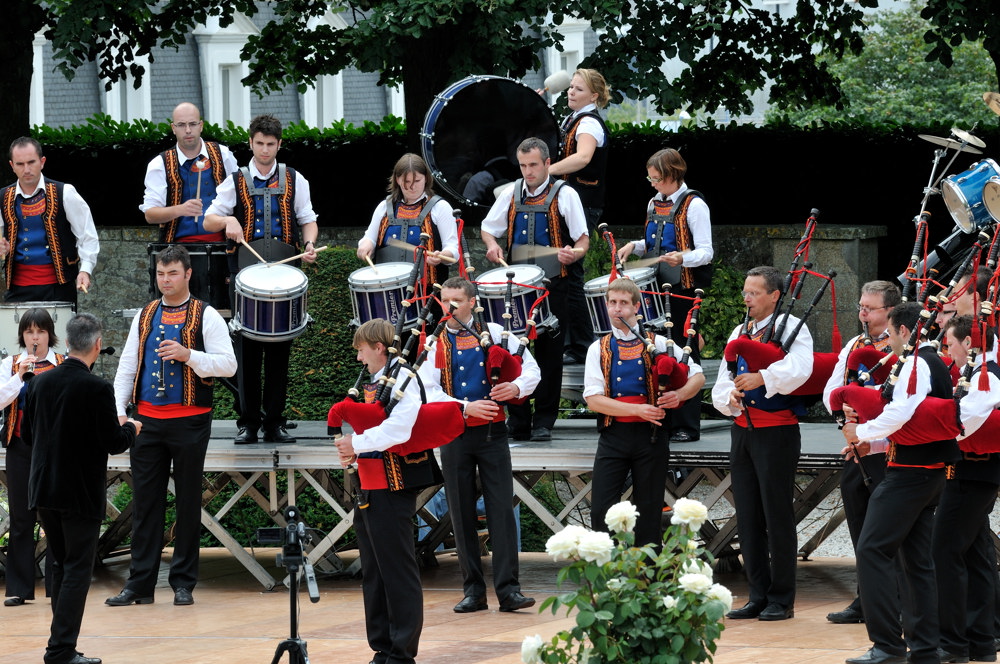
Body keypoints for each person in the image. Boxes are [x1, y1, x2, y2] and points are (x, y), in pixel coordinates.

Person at [105, 245, 236, 608]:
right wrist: (119, 410)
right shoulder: (145, 315)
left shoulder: (206, 315)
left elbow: (228, 365)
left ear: (188, 274)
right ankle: (140, 585)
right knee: (145, 505)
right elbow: (128, 365)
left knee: (188, 502)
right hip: (145, 423)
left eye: (173, 273)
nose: (166, 280)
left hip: (190, 421)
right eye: (161, 274)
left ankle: (183, 583)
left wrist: (188, 355)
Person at [841, 301, 960, 664]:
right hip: (928, 473)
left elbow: (901, 411)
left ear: (905, 332)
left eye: (891, 333)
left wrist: (859, 431)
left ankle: (887, 645)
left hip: (911, 475)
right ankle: (925, 646)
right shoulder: (931, 361)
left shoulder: (916, 362)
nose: (889, 340)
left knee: (872, 549)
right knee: (916, 560)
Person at [417, 277, 541, 613]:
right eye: (445, 300)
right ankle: (472, 590)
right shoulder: (434, 343)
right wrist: (464, 407)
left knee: (501, 510)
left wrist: (515, 389)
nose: (449, 307)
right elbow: (428, 391)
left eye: (456, 300)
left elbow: (532, 370)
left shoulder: (498, 334)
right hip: (454, 434)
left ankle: (509, 591)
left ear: (472, 302)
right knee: (460, 513)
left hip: (492, 433)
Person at [22, 313, 140, 664]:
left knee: (60, 563)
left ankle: (62, 645)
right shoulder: (97, 388)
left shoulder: (40, 383)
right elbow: (114, 442)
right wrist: (132, 427)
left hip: (44, 488)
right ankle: (60, 650)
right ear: (97, 345)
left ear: (67, 342)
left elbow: (28, 437)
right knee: (76, 568)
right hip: (79, 492)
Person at [204, 114, 318, 444]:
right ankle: (248, 423)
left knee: (280, 351)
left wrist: (309, 243)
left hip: (285, 277)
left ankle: (275, 423)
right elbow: (210, 218)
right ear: (250, 143)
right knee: (247, 350)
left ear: (279, 145)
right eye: (259, 144)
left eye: (271, 144)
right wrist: (227, 222)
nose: (265, 150)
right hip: (245, 277)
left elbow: (307, 220)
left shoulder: (296, 180)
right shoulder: (234, 179)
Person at [334, 319, 439, 664]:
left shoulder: (406, 379)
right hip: (369, 482)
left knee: (397, 570)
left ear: (379, 348)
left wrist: (356, 443)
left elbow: (399, 429)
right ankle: (383, 645)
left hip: (393, 484)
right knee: (374, 571)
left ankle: (401, 651)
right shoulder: (381, 381)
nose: (359, 358)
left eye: (361, 350)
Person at [711, 265, 813, 622]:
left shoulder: (792, 329)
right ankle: (757, 593)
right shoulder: (740, 331)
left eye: (754, 293)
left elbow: (802, 369)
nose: (747, 299)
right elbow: (723, 379)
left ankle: (781, 597)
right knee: (748, 516)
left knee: (777, 514)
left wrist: (763, 377)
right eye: (745, 292)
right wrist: (729, 399)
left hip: (777, 432)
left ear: (774, 296)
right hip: (743, 431)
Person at [480, 137, 589, 441]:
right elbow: (489, 228)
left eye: (533, 165)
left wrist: (573, 254)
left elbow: (583, 241)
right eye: (523, 165)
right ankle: (518, 420)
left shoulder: (565, 194)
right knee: (513, 352)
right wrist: (491, 246)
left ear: (547, 164)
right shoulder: (511, 194)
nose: (527, 172)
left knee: (549, 356)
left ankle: (543, 420)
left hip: (554, 286)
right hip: (515, 289)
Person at [583, 277, 704, 545]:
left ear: (637, 307)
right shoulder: (597, 348)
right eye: (612, 303)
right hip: (613, 436)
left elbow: (697, 375)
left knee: (649, 511)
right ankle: (608, 572)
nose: (617, 309)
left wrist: (678, 395)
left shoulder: (659, 342)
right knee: (601, 509)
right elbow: (593, 399)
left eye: (623, 303)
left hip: (651, 437)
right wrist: (637, 411)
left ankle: (648, 579)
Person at [619, 148, 713, 443]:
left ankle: (686, 424)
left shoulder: (695, 205)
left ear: (673, 175)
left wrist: (682, 259)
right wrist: (634, 247)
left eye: (657, 178)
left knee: (685, 353)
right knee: (656, 354)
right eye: (651, 178)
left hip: (683, 290)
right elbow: (653, 241)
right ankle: (661, 418)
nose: (652, 183)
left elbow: (706, 252)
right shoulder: (653, 202)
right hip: (655, 290)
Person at [821, 280, 900, 625]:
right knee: (858, 515)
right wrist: (843, 413)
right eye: (861, 307)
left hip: (892, 447)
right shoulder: (854, 344)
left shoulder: (906, 345)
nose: (863, 314)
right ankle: (866, 596)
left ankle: (897, 598)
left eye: (870, 308)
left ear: (891, 312)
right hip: (857, 445)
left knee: (891, 527)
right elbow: (831, 390)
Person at [933, 314, 1000, 663]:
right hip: (969, 472)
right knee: (973, 556)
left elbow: (965, 421)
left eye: (951, 343)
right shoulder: (976, 372)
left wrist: (926, 426)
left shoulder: (988, 374)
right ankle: (979, 641)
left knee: (944, 551)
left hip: (973, 472)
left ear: (969, 343)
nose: (948, 350)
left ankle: (953, 642)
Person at [1, 309, 64, 607]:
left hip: (55, 448)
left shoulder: (63, 364)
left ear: (49, 334)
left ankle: (58, 584)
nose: (34, 338)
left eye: (40, 332)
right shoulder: (9, 364)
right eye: (29, 332)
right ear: (22, 335)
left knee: (56, 515)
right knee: (21, 517)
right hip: (20, 446)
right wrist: (18, 377)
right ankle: (19, 588)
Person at [0, 137, 99, 304]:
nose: (27, 169)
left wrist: (85, 270)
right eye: (20, 164)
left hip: (59, 287)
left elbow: (87, 236)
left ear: (42, 162)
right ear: (12, 166)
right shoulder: (2, 197)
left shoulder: (65, 192)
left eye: (31, 162)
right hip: (17, 288)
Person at [139, 102, 239, 244]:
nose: (187, 130)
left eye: (192, 124)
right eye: (181, 125)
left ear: (201, 126)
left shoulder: (223, 154)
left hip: (224, 244)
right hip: (177, 248)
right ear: (173, 128)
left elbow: (241, 196)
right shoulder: (159, 164)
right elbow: (150, 215)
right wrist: (180, 209)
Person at [357, 153, 458, 283]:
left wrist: (443, 256)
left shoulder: (440, 207)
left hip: (427, 292)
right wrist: (366, 245)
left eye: (417, 181)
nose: (412, 187)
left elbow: (453, 248)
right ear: (398, 180)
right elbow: (369, 238)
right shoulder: (384, 207)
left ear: (426, 178)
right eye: (407, 181)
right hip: (387, 287)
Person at [547, 68, 610, 232]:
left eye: (579, 89)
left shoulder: (589, 123)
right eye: (571, 87)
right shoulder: (572, 118)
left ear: (594, 96)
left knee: (569, 256)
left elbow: (583, 157)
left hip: (583, 204)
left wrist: (547, 171)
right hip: (569, 201)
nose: (571, 92)